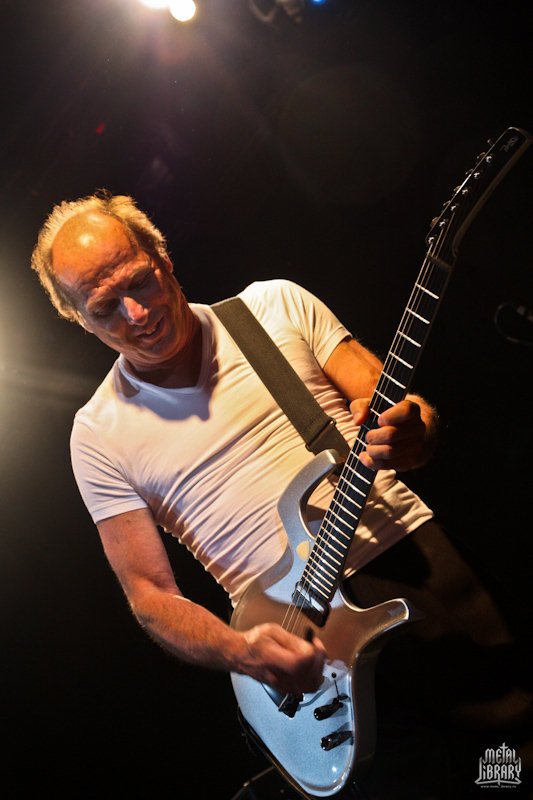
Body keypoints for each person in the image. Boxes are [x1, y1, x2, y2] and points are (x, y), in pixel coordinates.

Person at [31, 191, 531, 798]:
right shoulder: (97, 434)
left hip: (412, 566)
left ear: (162, 256)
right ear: (80, 319)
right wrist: (240, 651)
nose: (135, 313)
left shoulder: (274, 305)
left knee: (512, 765)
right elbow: (149, 595)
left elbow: (397, 408)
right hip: (305, 659)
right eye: (105, 308)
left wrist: (412, 428)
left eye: (139, 281)